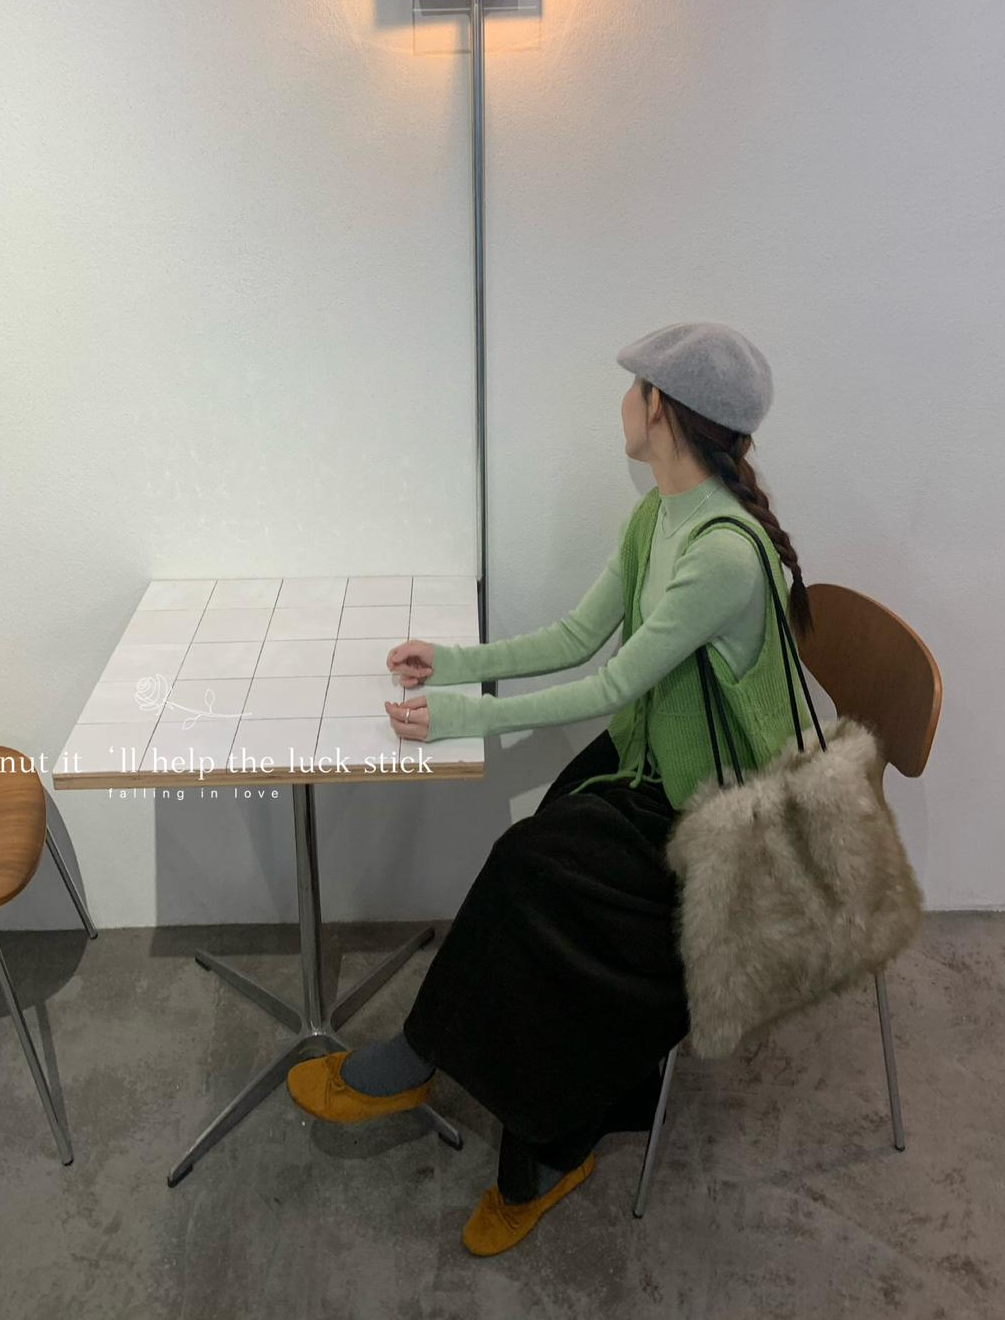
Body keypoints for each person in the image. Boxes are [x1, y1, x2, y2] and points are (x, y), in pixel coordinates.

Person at [285, 321, 816, 1254]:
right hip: (657, 777)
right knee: (535, 870)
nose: (622, 402)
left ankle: (457, 1088)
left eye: (633, 387)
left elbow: (611, 685)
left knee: (530, 869)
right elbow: (578, 638)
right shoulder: (658, 519)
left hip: (722, 823)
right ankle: (515, 1125)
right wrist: (454, 663)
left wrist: (462, 718)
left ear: (661, 408)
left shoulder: (724, 556)